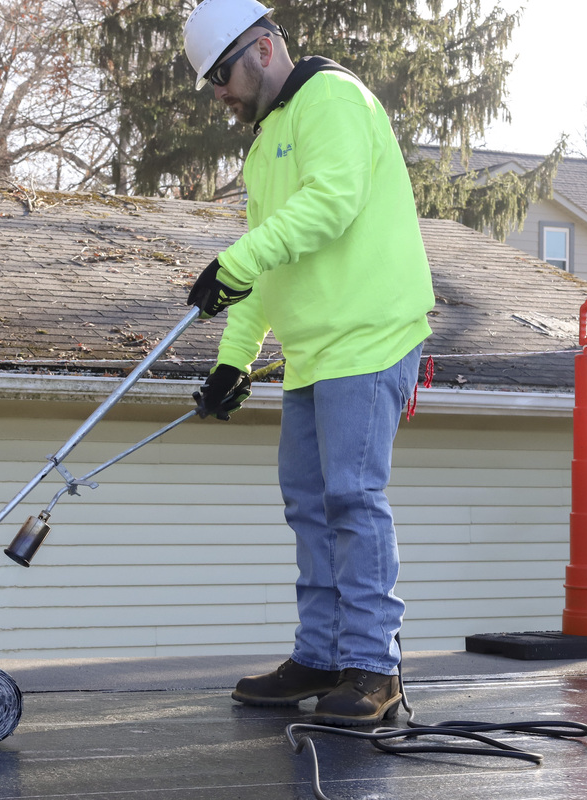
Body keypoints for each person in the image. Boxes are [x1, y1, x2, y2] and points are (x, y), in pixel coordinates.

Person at [182, 0, 436, 726]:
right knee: (308, 504)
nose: (221, 94)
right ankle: (322, 656)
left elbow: (331, 204)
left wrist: (238, 256)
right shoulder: (264, 147)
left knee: (353, 500)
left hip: (369, 333)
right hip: (311, 352)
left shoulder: (333, 98)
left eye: (222, 75)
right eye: (211, 84)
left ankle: (374, 669)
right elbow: (270, 264)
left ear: (262, 48)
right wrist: (234, 360)